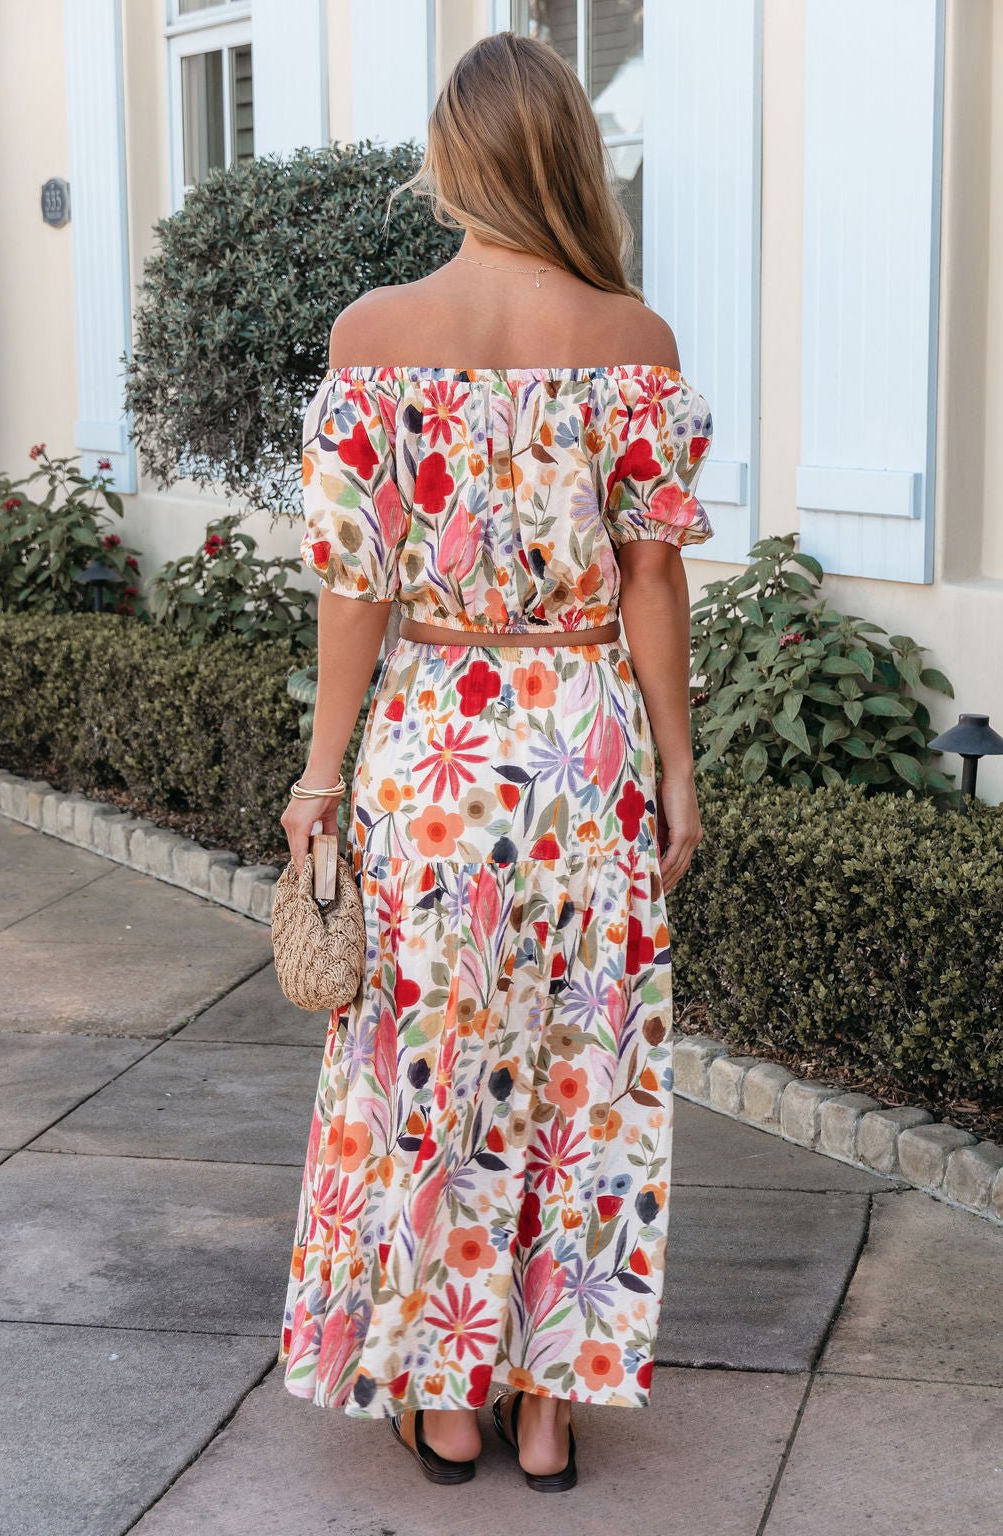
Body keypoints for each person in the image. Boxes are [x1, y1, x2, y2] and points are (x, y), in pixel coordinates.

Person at [278, 29, 714, 1494]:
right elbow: (654, 585)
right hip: (583, 749)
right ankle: (549, 1407)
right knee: (583, 1070)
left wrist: (322, 780)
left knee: (431, 1071)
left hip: (434, 758)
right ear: (569, 158)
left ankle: (447, 1396)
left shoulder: (373, 335)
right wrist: (679, 773)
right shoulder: (631, 339)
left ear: (455, 157)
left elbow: (355, 586)